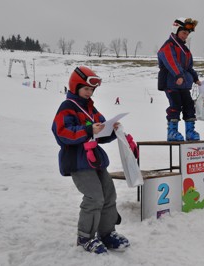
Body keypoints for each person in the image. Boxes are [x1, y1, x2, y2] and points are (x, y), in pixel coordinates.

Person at [52, 66, 130, 254]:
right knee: (94, 197)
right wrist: (88, 130)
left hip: (94, 159)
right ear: (75, 86)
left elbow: (100, 132)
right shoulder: (68, 107)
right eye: (86, 89)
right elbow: (61, 133)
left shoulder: (90, 108)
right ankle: (85, 237)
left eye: (92, 90)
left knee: (109, 194)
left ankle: (106, 233)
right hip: (78, 161)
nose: (89, 93)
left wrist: (111, 129)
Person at [158, 17, 201, 141]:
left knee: (189, 105)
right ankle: (172, 132)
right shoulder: (168, 46)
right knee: (175, 106)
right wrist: (178, 75)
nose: (185, 36)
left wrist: (195, 78)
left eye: (187, 34)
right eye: (183, 33)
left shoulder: (185, 50)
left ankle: (190, 132)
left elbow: (188, 67)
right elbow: (171, 62)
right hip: (171, 83)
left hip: (183, 85)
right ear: (176, 30)